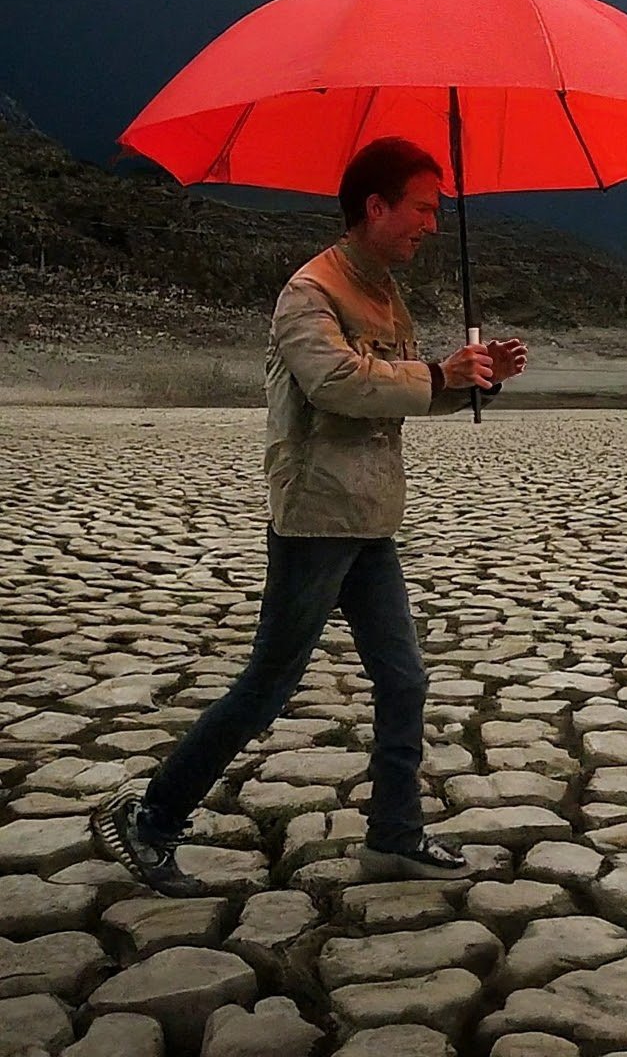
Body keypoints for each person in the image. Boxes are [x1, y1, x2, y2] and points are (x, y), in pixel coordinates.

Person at [91, 136, 527, 895]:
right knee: (267, 685)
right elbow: (338, 384)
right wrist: (437, 375)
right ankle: (150, 819)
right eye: (422, 209)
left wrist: (477, 382)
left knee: (404, 681)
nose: (430, 224)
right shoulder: (310, 292)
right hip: (316, 517)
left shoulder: (386, 293)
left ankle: (394, 835)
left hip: (368, 518)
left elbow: (402, 391)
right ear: (376, 206)